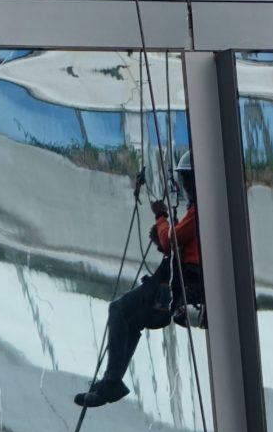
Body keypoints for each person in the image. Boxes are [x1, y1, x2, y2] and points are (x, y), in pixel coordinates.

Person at [74, 151, 203, 408]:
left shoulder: (199, 212)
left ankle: (111, 382)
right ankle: (112, 381)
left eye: (187, 181)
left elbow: (170, 240)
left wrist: (161, 217)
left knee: (119, 309)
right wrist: (164, 235)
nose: (186, 187)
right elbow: (176, 243)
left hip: (182, 286)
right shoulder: (198, 212)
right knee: (129, 318)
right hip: (179, 282)